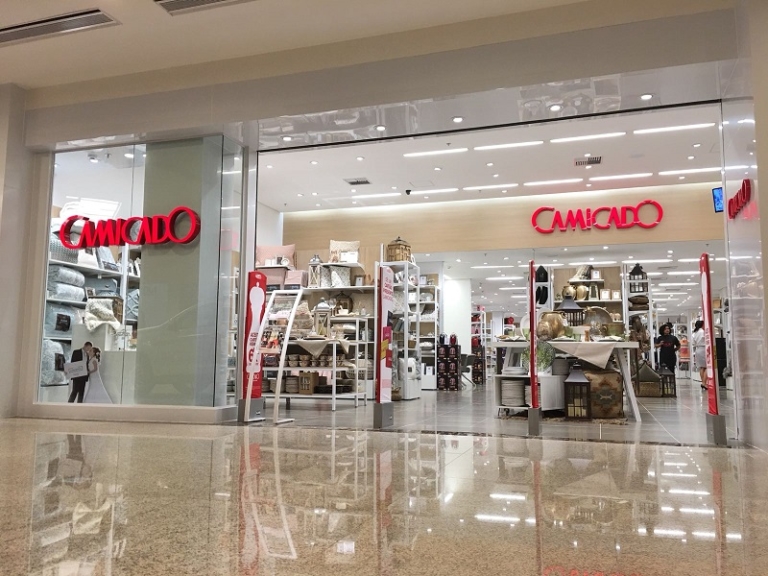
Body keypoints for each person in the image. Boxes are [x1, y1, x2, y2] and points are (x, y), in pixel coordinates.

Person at [691, 320, 707, 390]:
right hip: (704, 349)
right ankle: (704, 383)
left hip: (697, 350)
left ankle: (703, 382)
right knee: (707, 367)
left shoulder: (694, 333)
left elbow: (693, 343)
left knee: (701, 367)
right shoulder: (703, 332)